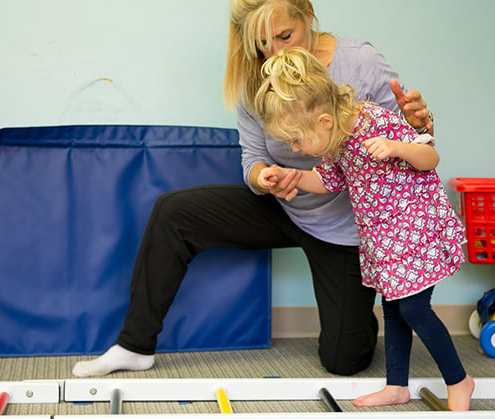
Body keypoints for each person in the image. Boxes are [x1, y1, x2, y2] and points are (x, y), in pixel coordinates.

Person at [71, 0, 435, 378]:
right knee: (173, 212)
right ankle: (134, 346)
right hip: (284, 204)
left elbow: (415, 145)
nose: (275, 51)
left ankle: (359, 317)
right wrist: (263, 177)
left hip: (343, 223)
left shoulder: (359, 62)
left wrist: (423, 124)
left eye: (284, 36)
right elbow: (253, 158)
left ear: (307, 15)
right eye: (263, 42)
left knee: (345, 362)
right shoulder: (255, 77)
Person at [254, 47, 474, 411]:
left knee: (414, 309)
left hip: (414, 231)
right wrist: (291, 176)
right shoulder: (335, 140)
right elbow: (329, 180)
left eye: (296, 140)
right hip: (382, 239)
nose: (294, 147)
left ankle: (459, 380)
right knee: (392, 309)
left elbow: (430, 157)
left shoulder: (375, 120)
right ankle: (397, 386)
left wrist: (396, 147)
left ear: (324, 121)